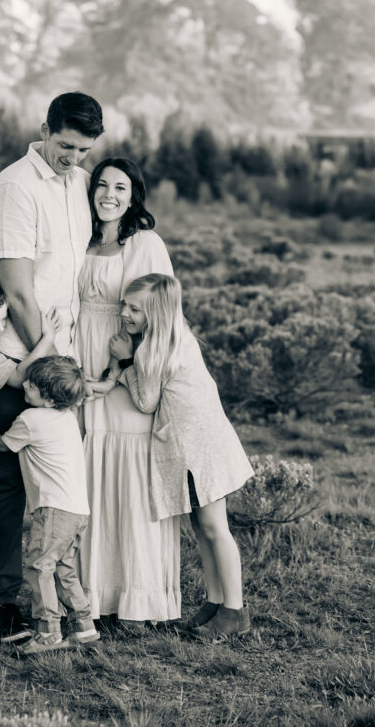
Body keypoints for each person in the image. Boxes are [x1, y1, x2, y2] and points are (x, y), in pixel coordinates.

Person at [0, 92, 104, 634]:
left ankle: (62, 599)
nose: (73, 158)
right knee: (9, 480)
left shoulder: (78, 183)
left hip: (63, 362)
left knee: (55, 484)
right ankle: (3, 604)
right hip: (24, 362)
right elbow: (20, 293)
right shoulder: (14, 188)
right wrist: (46, 372)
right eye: (64, 146)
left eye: (83, 149)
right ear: (44, 130)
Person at [106, 273, 254, 639]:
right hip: (200, 444)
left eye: (134, 309)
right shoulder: (173, 337)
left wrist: (125, 364)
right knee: (202, 527)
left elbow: (145, 402)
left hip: (198, 450)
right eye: (125, 304)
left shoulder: (156, 350)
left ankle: (234, 610)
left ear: (156, 313)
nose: (124, 312)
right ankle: (214, 601)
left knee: (216, 528)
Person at [75, 157, 180, 627]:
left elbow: (158, 317)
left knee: (131, 476)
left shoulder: (146, 243)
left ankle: (138, 597)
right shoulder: (78, 235)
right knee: (88, 477)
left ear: (134, 195)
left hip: (128, 365)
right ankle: (91, 596)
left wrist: (123, 364)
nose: (109, 194)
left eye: (120, 187)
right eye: (101, 184)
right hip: (80, 362)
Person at [0, 356, 99, 654]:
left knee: (39, 567)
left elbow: (2, 444)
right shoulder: (66, 417)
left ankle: (48, 631)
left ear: (48, 398)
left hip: (53, 509)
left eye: (32, 385)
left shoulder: (31, 419)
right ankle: (84, 626)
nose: (24, 383)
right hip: (78, 509)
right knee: (63, 568)